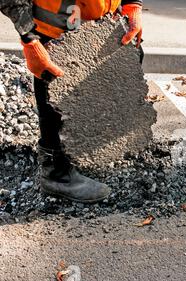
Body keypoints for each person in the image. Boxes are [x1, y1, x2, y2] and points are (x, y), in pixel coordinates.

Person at [0, 0, 143, 203]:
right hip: (57, 28)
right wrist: (29, 38)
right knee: (57, 87)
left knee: (112, 78)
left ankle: (79, 150)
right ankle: (56, 172)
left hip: (103, 21)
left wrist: (132, 5)